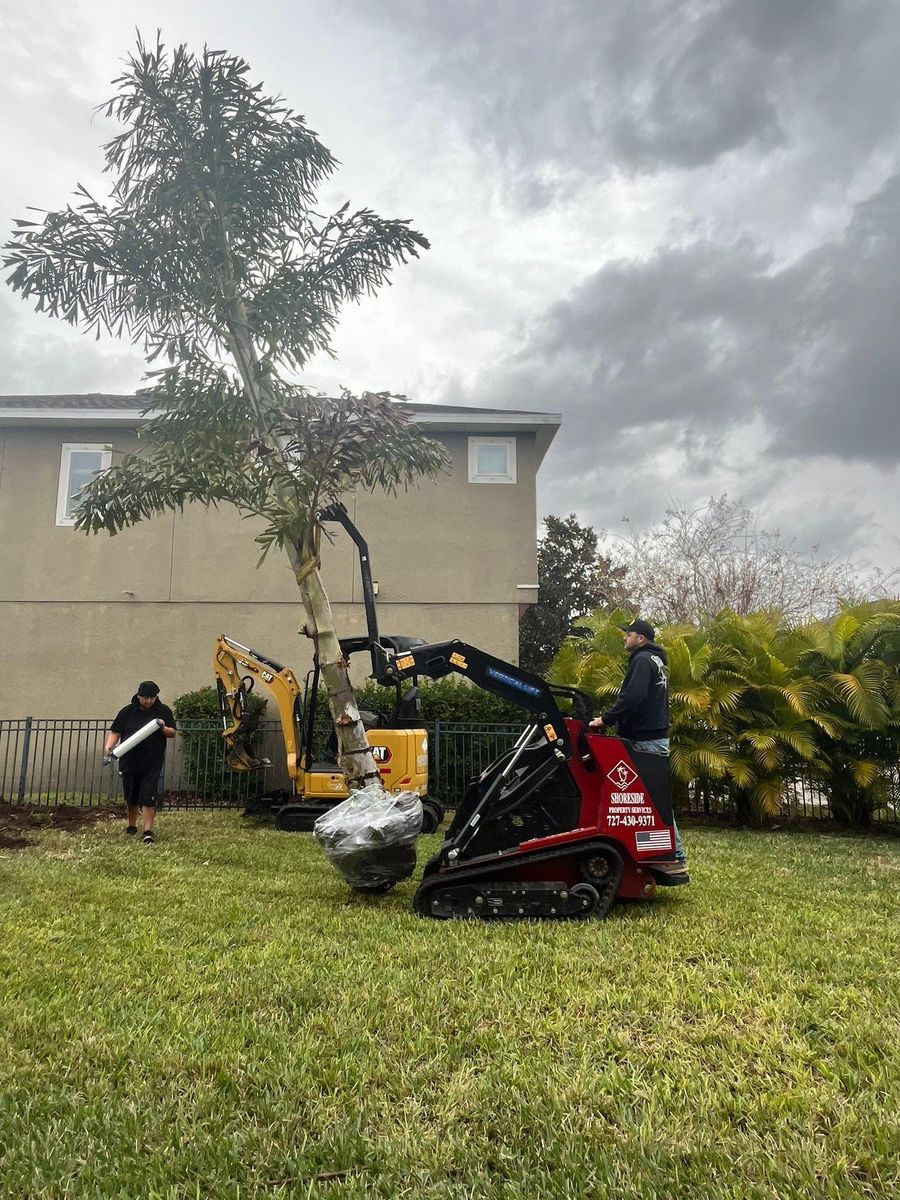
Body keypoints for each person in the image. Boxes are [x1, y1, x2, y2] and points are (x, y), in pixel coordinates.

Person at [588, 619, 689, 884]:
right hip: (653, 736)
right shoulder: (656, 661)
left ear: (641, 639)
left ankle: (672, 858)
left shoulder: (642, 661)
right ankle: (667, 856)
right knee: (651, 799)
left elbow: (632, 698)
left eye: (628, 634)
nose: (624, 638)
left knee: (651, 801)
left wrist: (604, 720)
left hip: (645, 739)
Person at [104, 681, 176, 843]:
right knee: (132, 796)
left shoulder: (163, 712)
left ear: (156, 697)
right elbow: (116, 731)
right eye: (145, 698)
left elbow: (172, 733)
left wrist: (163, 728)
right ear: (138, 696)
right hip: (129, 760)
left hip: (152, 761)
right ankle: (131, 825)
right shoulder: (127, 712)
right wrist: (109, 747)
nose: (149, 701)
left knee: (148, 796)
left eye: (152, 698)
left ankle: (148, 831)